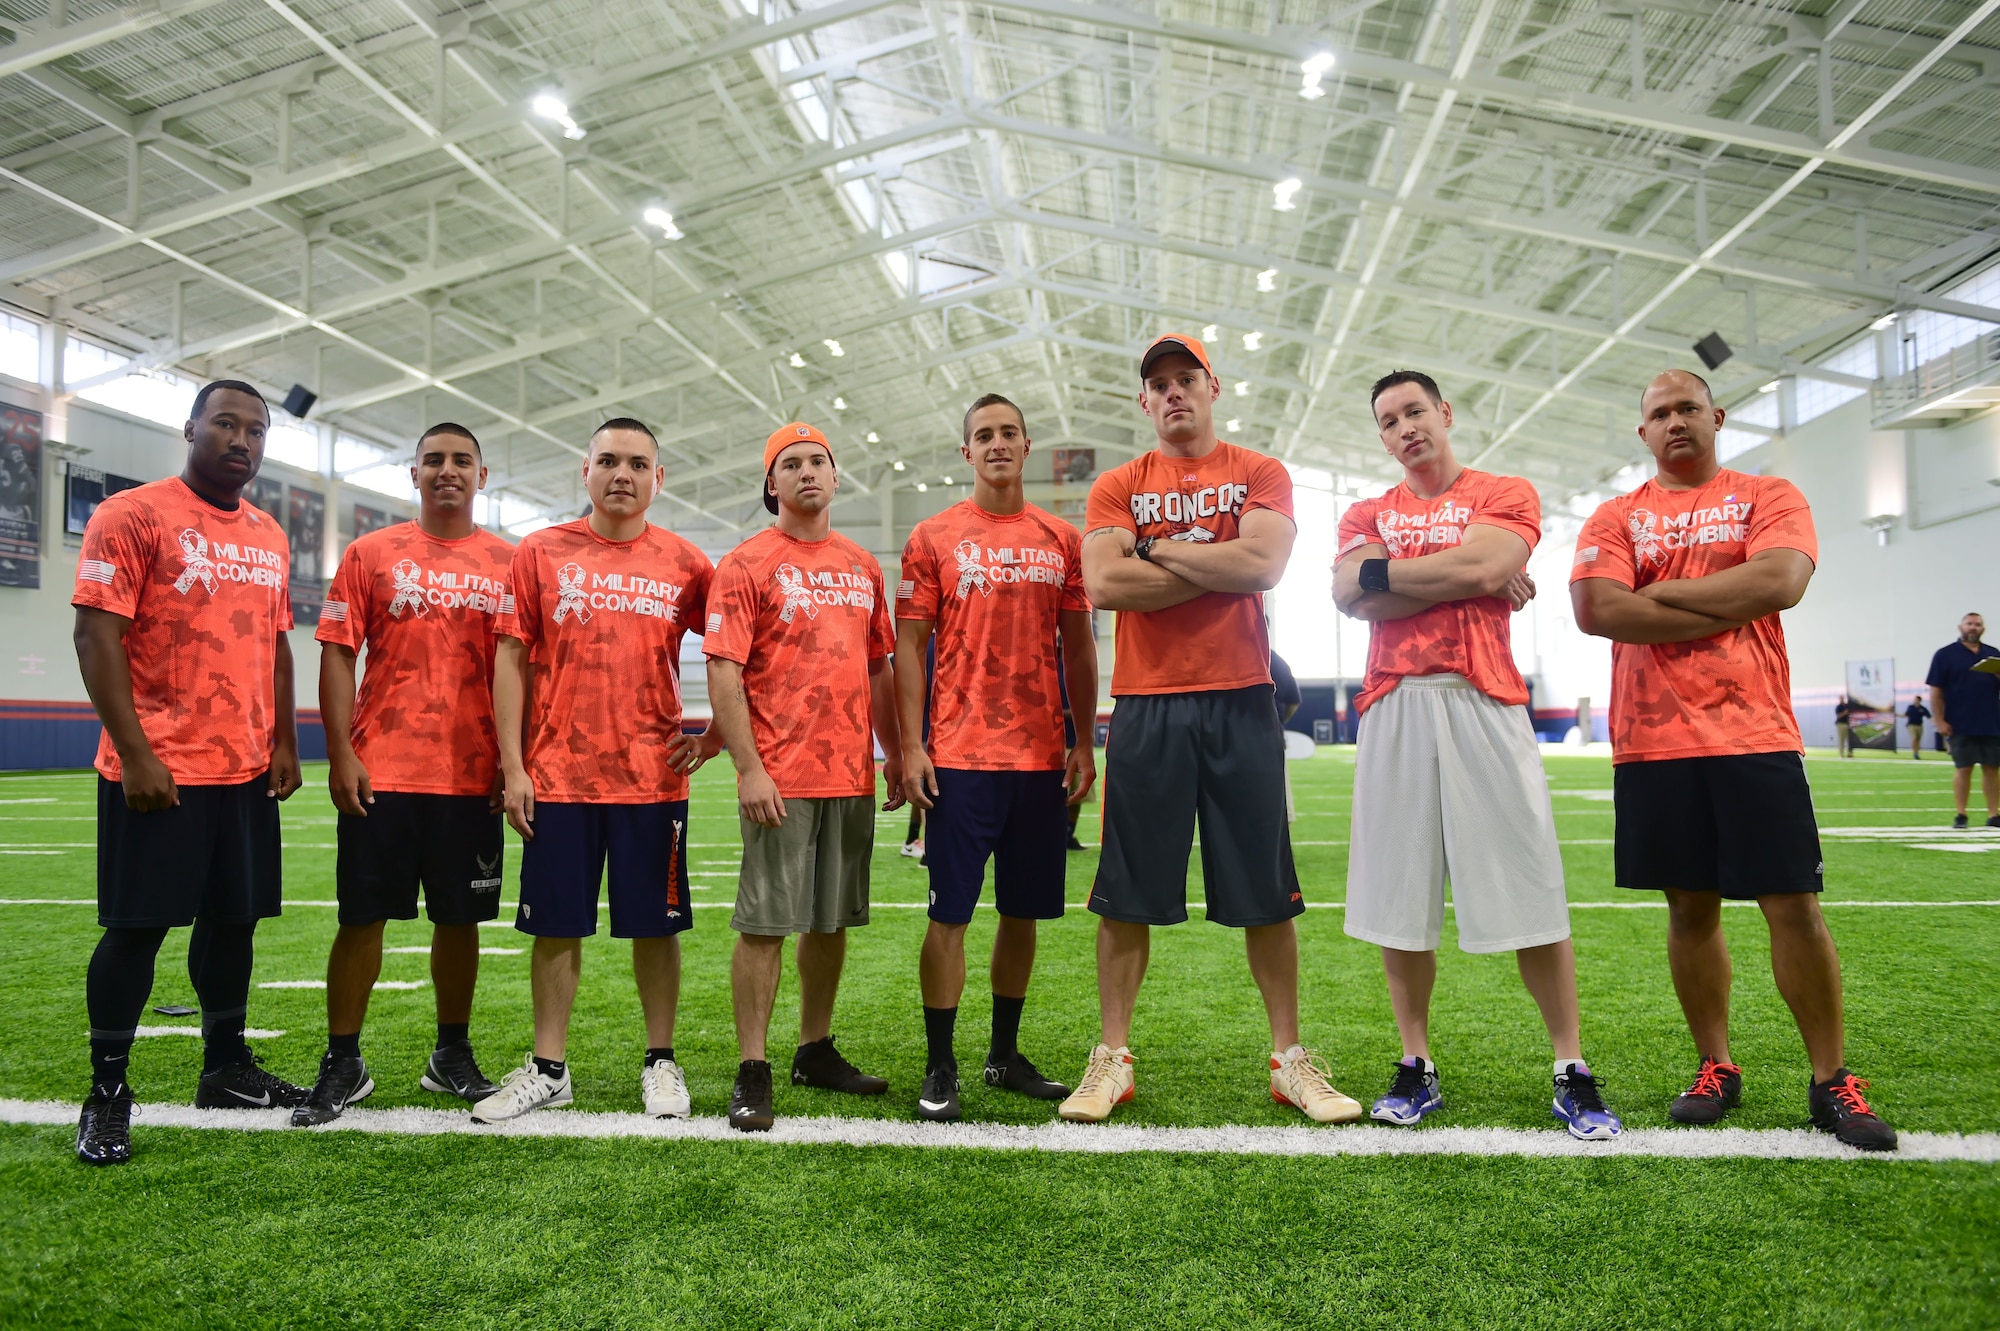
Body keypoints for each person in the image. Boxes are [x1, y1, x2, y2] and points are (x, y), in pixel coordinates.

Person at [1572, 368, 1894, 1151]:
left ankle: (1831, 1079)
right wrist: (1726, 589)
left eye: (1688, 408)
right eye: (1659, 412)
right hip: (1653, 741)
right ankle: (1716, 1066)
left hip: (1756, 733)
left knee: (1793, 906)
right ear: (1642, 432)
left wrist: (1662, 592)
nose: (1675, 420)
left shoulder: (1768, 494)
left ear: (1716, 417)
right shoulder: (1616, 513)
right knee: (1690, 909)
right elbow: (1596, 608)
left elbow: (1782, 580)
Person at [1062, 333, 1360, 1125]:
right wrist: (1209, 557)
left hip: (1240, 698)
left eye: (1185, 378)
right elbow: (1102, 581)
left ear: (1212, 385)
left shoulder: (1258, 471)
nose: (1173, 393)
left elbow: (1260, 568)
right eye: (1157, 384)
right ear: (1144, 401)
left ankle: (1289, 1058)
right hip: (1146, 703)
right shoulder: (1117, 483)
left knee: (1267, 893)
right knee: (1124, 895)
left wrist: (1156, 547)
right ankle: (1112, 1056)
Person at [1332, 369, 1621, 1141]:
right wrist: (1464, 577)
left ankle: (1570, 1065)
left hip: (1484, 698)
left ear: (1444, 412)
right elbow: (1348, 590)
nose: (1405, 429)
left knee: (1532, 886)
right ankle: (1415, 1059)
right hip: (1393, 701)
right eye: (1389, 420)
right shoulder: (1366, 510)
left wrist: (1402, 578)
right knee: (1400, 896)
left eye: (1415, 411)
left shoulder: (1505, 491)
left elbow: (1482, 567)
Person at [71, 381, 308, 1166]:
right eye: (225, 424)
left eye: (255, 430)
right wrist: (135, 751)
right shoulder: (133, 514)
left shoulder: (271, 534)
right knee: (137, 930)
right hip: (160, 768)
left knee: (233, 923)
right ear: (191, 428)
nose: (241, 440)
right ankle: (108, 1091)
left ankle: (225, 1064)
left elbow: (276, 644)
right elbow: (95, 635)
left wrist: (281, 741)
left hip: (242, 769)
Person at [470, 418, 718, 1123]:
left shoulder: (686, 562)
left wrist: (718, 736)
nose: (622, 474)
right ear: (585, 470)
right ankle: (549, 1068)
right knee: (556, 927)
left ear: (658, 479)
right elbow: (509, 660)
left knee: (656, 927)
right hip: (558, 777)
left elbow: (739, 647)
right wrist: (513, 765)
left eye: (638, 463)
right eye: (608, 460)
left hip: (653, 779)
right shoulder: (541, 553)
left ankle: (660, 1061)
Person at [290, 424, 515, 1126]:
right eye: (435, 461)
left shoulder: (512, 563)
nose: (448, 471)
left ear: (483, 475)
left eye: (462, 461)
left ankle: (451, 1053)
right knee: (361, 918)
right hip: (382, 772)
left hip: (472, 776)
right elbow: (336, 652)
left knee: (461, 919)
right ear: (413, 473)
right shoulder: (369, 553)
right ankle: (342, 1059)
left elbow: (523, 670)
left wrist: (515, 762)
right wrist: (342, 751)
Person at [896, 393, 1097, 1122]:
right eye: (984, 435)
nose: (998, 443)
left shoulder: (1060, 538)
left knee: (1023, 914)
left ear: (1027, 444)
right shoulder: (933, 535)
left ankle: (1003, 1054)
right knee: (949, 914)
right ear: (967, 451)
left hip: (1040, 759)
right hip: (959, 756)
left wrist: (1083, 739)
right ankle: (940, 1061)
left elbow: (1078, 644)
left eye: (1009, 432)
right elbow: (910, 647)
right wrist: (914, 745)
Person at [705, 423, 903, 1132]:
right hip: (780, 779)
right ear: (771, 484)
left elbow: (878, 668)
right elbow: (724, 668)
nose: (806, 471)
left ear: (836, 474)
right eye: (790, 464)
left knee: (829, 921)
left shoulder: (860, 565)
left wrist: (898, 752)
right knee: (765, 925)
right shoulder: (747, 563)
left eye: (818, 459)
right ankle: (752, 1066)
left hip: (848, 775)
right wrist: (749, 767)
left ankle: (813, 1047)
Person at [1927, 613, 1999, 828]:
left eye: (1977, 625)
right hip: (1959, 722)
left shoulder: (1993, 655)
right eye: (1969, 624)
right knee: (1963, 768)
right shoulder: (1945, 655)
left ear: (1983, 629)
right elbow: (1936, 690)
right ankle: (1961, 814)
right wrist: (1939, 720)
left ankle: (1994, 814)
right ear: (1961, 627)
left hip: (1991, 722)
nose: (1973, 628)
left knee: (1992, 768)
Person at [1905, 694, 1930, 760]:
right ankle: (1914, 752)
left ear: (1919, 701)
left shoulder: (1923, 708)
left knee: (1918, 741)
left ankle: (1917, 753)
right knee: (1914, 738)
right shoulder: (1910, 707)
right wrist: (1897, 715)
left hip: (1919, 726)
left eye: (1916, 699)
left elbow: (1929, 716)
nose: (1914, 701)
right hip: (1911, 725)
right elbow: (1906, 715)